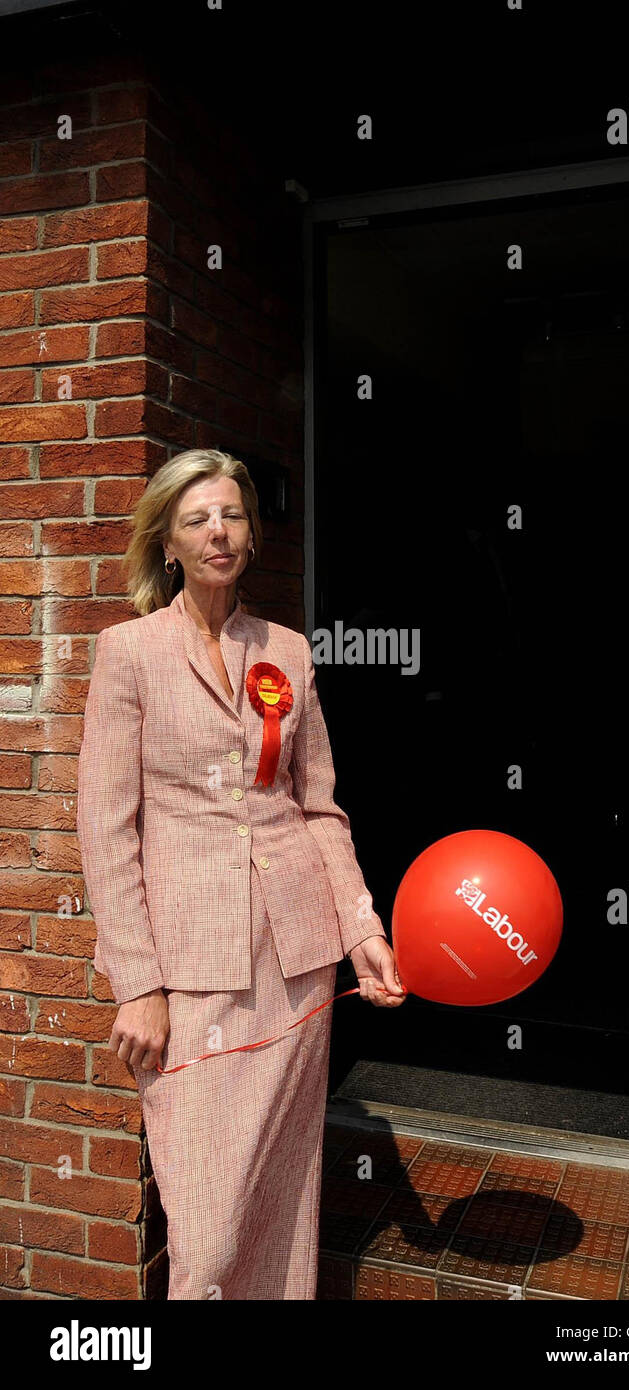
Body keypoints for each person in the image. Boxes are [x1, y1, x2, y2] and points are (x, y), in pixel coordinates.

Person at [76, 447, 405, 1300]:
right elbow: (107, 831)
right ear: (169, 544)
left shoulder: (287, 652)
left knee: (284, 1192)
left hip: (297, 962)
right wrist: (136, 984)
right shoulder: (129, 652)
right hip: (190, 973)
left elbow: (318, 808)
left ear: (252, 533)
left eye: (230, 515)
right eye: (197, 520)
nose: (218, 532)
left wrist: (362, 928)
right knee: (209, 1224)